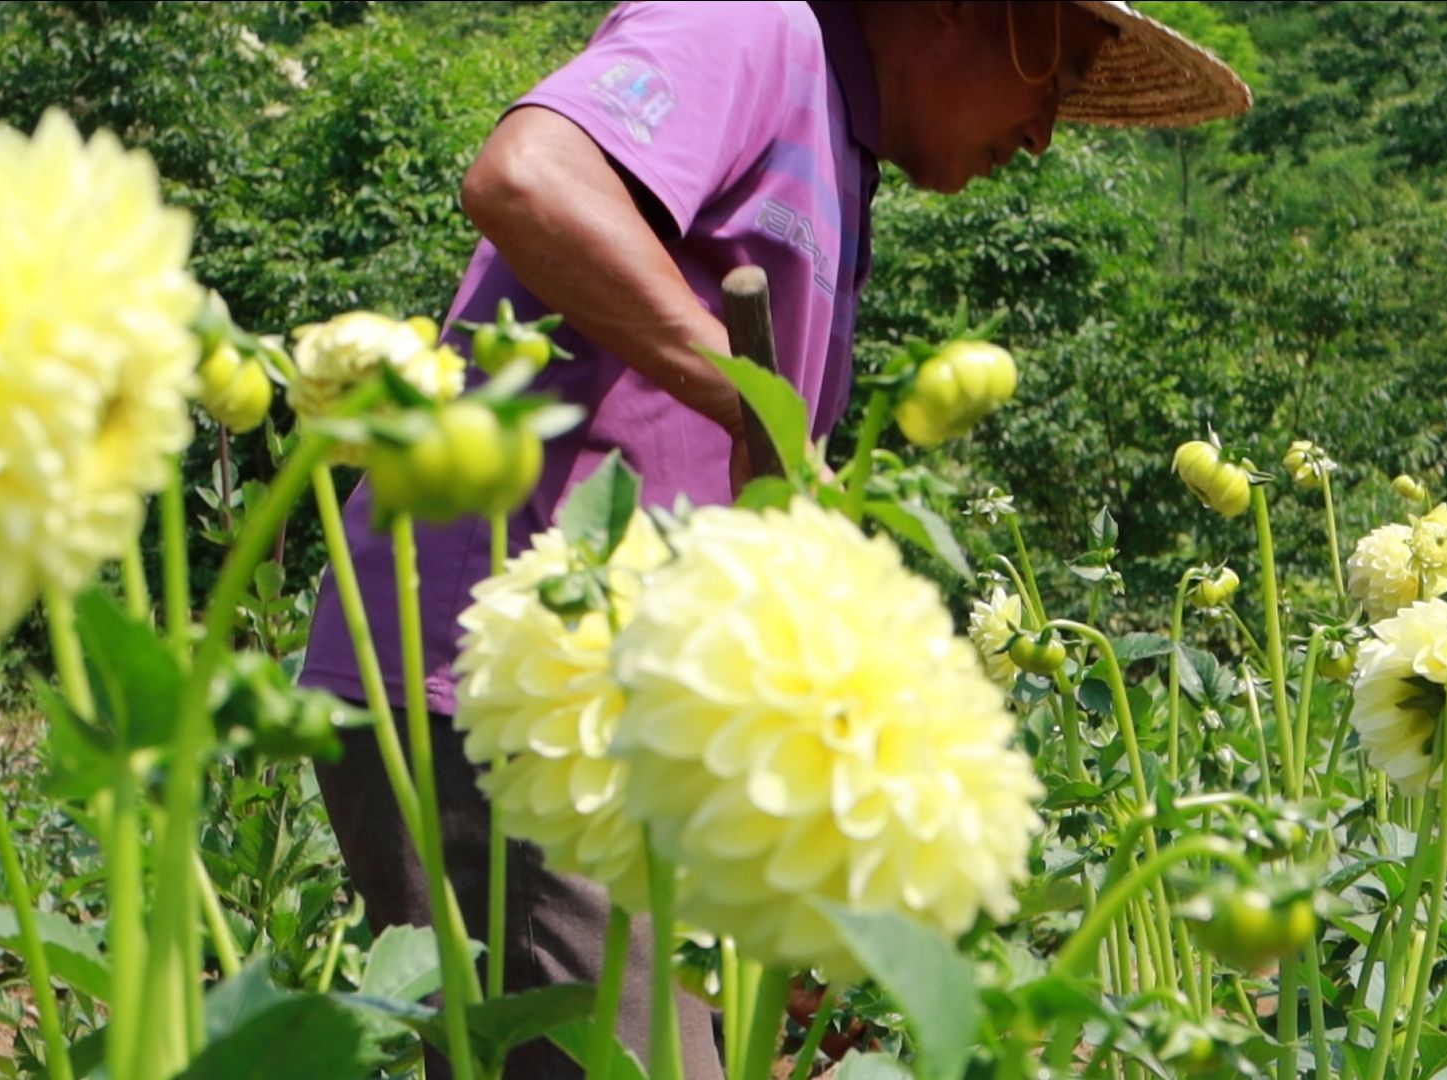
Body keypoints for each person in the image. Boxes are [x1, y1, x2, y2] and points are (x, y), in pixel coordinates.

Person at [301, 2, 1249, 1075]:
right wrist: (758, 400)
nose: (1044, 132)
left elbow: (754, 476)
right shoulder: (755, 24)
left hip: (620, 711)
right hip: (496, 678)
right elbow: (528, 180)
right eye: (1055, 65)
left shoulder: (840, 154)